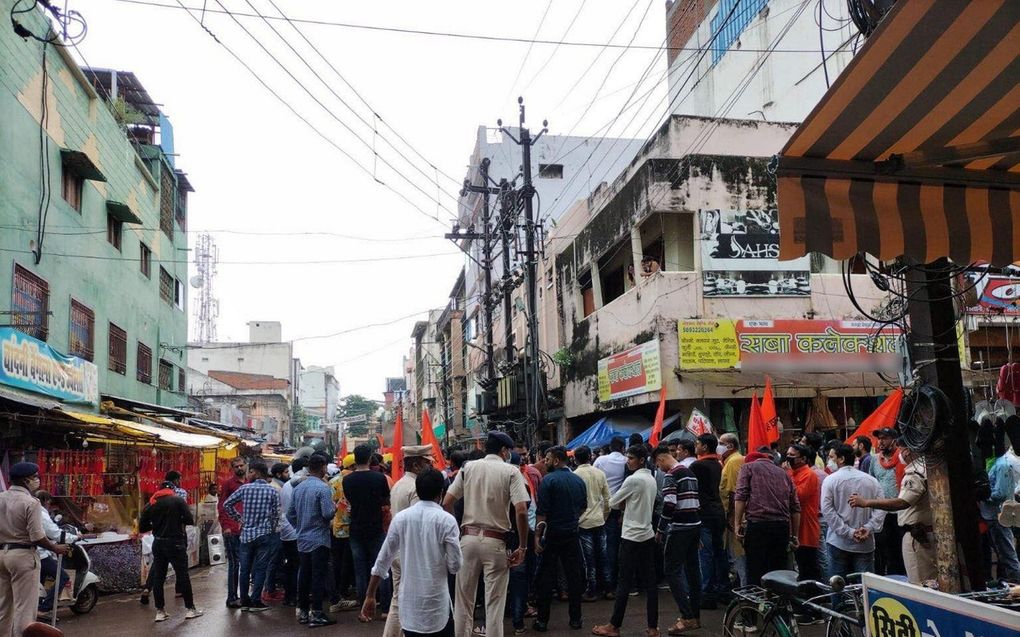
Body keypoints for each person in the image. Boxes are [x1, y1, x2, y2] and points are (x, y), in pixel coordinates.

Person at [444, 431, 529, 637]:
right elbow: (521, 510)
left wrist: (457, 534)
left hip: (468, 539)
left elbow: (447, 502)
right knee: (494, 604)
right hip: (496, 542)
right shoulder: (511, 471)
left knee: (463, 602)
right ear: (503, 450)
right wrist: (523, 546)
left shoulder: (467, 468)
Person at [360, 469, 462, 637]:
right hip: (437, 605)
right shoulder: (447, 520)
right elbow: (455, 565)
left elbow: (383, 560)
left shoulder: (401, 518)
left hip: (410, 606)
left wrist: (370, 595)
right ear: (441, 492)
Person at [592, 445, 659, 637]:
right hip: (647, 533)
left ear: (640, 460)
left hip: (631, 536)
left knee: (623, 582)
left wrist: (623, 503)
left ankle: (614, 625)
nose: (627, 461)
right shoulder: (650, 478)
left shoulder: (633, 479)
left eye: (630, 458)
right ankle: (653, 627)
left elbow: (612, 502)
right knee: (650, 583)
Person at [849, 447, 935, 584]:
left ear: (906, 451)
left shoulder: (915, 472)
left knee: (921, 582)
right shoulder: (928, 466)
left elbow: (903, 502)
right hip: (921, 531)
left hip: (918, 535)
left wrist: (866, 502)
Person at [381, 445, 434, 637]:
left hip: (398, 550)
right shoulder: (415, 487)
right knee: (411, 601)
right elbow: (418, 522)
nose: (430, 466)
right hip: (410, 552)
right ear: (417, 464)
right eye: (427, 462)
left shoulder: (399, 484)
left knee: (398, 600)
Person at [532, 446, 587, 632]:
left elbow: (542, 513)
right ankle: (576, 619)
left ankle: (542, 620)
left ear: (556, 461)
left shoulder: (548, 481)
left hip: (553, 534)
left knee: (547, 577)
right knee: (574, 577)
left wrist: (537, 537)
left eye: (547, 459)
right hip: (572, 532)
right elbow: (582, 507)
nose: (545, 462)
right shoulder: (578, 481)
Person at [652, 445, 701, 635]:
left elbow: (669, 504)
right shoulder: (689, 472)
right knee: (693, 571)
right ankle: (695, 616)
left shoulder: (671, 475)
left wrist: (660, 529)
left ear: (661, 459)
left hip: (679, 528)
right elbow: (696, 502)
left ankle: (687, 616)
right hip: (694, 526)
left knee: (671, 571)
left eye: (657, 463)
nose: (658, 467)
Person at [733, 450, 801, 586]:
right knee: (778, 572)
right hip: (781, 528)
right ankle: (777, 603)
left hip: (758, 526)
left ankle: (759, 604)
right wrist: (794, 536)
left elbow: (740, 496)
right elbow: (795, 507)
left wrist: (737, 524)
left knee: (756, 570)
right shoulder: (783, 473)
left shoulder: (748, 467)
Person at [140, 479, 204, 622]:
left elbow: (142, 528)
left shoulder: (151, 504)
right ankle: (190, 609)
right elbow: (189, 520)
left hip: (158, 543)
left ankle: (160, 611)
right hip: (175, 543)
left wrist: (156, 523)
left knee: (159, 578)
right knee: (182, 575)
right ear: (172, 490)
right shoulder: (178, 501)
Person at [222, 461, 280, 612]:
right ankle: (256, 601)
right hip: (264, 534)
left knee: (244, 569)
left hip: (246, 535)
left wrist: (239, 519)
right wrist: (272, 527)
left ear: (256, 472)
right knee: (260, 569)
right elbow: (276, 514)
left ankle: (245, 602)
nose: (248, 474)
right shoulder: (272, 491)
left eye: (250, 471)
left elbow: (227, 504)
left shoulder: (245, 489)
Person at [287, 454, 337, 627]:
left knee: (304, 575)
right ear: (322, 467)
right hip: (319, 539)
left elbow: (290, 514)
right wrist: (335, 507)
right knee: (318, 575)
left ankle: (302, 612)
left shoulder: (298, 488)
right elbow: (327, 513)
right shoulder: (323, 488)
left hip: (302, 539)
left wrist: (300, 527)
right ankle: (316, 613)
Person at [822, 444, 885, 577]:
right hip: (864, 543)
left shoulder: (830, 480)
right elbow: (881, 507)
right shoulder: (872, 481)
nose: (829, 461)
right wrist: (868, 528)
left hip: (838, 542)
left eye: (832, 457)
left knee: (838, 587)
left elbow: (827, 510)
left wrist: (848, 532)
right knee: (864, 588)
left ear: (841, 459)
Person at [344, 444, 392, 609]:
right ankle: (385, 607)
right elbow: (386, 502)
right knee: (382, 567)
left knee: (360, 570)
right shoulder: (379, 478)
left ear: (355, 459)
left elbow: (349, 500)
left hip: (356, 528)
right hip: (376, 527)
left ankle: (364, 605)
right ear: (370, 458)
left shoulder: (347, 480)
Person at [690, 433, 728, 608]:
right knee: (719, 553)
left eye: (697, 443)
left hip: (704, 514)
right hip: (718, 512)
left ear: (704, 447)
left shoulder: (697, 465)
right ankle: (722, 589)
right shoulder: (718, 464)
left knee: (705, 554)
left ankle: (707, 594)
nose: (695, 446)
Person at [574, 446, 612, 602]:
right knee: (603, 556)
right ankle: (608, 589)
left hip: (583, 523)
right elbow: (608, 500)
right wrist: (604, 516)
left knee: (589, 559)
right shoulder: (600, 473)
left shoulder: (575, 476)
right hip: (599, 520)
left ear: (575, 459)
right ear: (590, 457)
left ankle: (591, 591)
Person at [593, 436, 628, 596]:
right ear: (622, 448)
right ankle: (615, 582)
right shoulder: (626, 461)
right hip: (620, 508)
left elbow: (594, 478)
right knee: (618, 546)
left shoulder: (600, 460)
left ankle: (604, 582)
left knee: (605, 545)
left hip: (602, 507)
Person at [981, 440, 1020, 582]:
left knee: (1008, 555)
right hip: (991, 515)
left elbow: (1001, 493)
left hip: (998, 515)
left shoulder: (1002, 465)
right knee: (1002, 554)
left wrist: (983, 494)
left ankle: (1016, 584)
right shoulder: (994, 463)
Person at [869, 428, 906, 576]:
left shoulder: (903, 458)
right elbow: (872, 481)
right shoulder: (874, 460)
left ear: (894, 440)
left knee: (901, 550)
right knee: (884, 550)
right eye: (879, 439)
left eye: (885, 438)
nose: (881, 442)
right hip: (882, 512)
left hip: (901, 511)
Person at [35, 491, 76, 615]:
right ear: (46, 501)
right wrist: (73, 537)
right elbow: (54, 533)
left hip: (28, 553)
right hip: (40, 553)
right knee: (63, 577)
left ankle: (40, 603)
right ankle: (44, 607)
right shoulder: (40, 513)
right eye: (49, 501)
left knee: (42, 579)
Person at [786, 445, 822, 583]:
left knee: (808, 566)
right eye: (788, 454)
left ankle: (814, 597)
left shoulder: (809, 474)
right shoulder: (791, 473)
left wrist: (787, 476)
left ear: (804, 458)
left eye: (792, 455)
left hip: (806, 527)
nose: (788, 457)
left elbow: (798, 497)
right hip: (794, 525)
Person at [328, 455, 357, 612]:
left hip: (335, 526)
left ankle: (338, 590)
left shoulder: (332, 482)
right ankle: (344, 590)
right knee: (348, 561)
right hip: (352, 526)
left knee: (337, 560)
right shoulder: (354, 480)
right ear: (353, 466)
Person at [217, 456, 247, 608]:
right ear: (232, 469)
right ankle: (232, 597)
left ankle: (244, 595)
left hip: (247, 529)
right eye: (236, 467)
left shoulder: (249, 483)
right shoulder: (228, 484)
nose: (240, 468)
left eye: (241, 465)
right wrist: (226, 526)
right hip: (232, 529)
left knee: (246, 564)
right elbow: (222, 506)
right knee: (234, 564)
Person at [718, 433, 746, 586]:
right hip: (733, 514)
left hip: (736, 516)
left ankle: (744, 588)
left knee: (739, 554)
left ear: (730, 446)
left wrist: (732, 517)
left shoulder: (735, 461)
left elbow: (735, 492)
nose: (718, 445)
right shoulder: (729, 461)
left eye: (721, 443)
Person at [263, 462, 290, 604]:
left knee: (276, 560)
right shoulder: (276, 488)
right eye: (286, 472)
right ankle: (268, 590)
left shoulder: (279, 486)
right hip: (274, 529)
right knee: (272, 560)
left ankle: (271, 588)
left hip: (276, 528)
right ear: (279, 474)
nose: (288, 474)